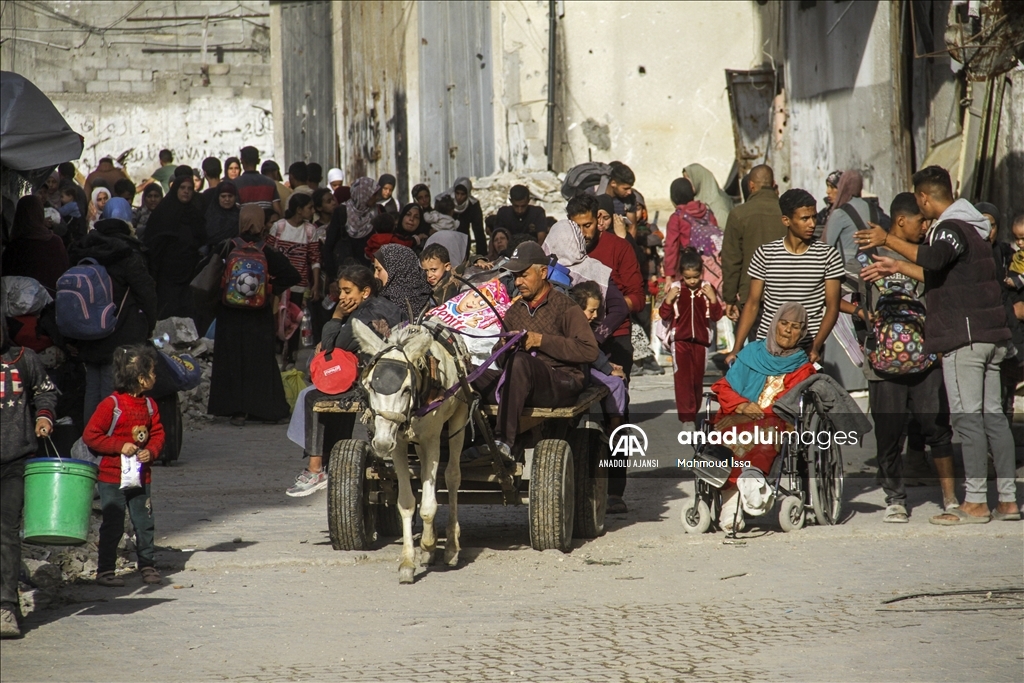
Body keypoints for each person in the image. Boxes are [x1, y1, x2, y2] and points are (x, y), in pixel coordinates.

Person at [856, 165, 1020, 524]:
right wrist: (895, 267)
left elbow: (932, 259)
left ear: (925, 197)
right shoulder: (976, 228)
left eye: (919, 200)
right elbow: (941, 275)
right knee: (994, 418)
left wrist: (887, 239)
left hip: (967, 338)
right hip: (992, 336)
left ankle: (975, 502)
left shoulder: (950, 227)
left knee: (968, 420)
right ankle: (1008, 501)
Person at [850, 193, 956, 523]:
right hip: (884, 368)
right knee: (889, 434)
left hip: (926, 362)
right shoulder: (868, 260)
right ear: (900, 221)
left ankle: (950, 499)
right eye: (919, 221)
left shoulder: (929, 257)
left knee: (937, 430)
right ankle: (895, 498)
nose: (925, 226)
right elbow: (858, 305)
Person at [470, 241, 599, 460]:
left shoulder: (566, 307)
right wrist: (503, 348)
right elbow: (500, 360)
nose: (518, 282)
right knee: (467, 374)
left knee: (520, 361)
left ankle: (503, 441)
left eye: (524, 275)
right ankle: (465, 443)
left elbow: (589, 351)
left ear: (543, 272)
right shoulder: (514, 311)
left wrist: (541, 341)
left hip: (561, 383)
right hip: (520, 383)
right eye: (515, 276)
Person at [286, 265, 402, 496]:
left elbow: (331, 347)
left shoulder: (362, 316)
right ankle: (331, 459)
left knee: (312, 396)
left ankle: (315, 469)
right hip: (391, 375)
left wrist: (336, 316)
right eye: (341, 291)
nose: (342, 297)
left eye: (348, 292)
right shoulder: (389, 307)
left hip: (373, 381)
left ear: (365, 292)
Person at [710, 303, 817, 532]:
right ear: (774, 324)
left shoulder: (802, 367)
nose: (788, 330)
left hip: (774, 421)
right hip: (740, 415)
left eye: (796, 327)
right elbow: (724, 387)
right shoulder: (751, 353)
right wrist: (741, 405)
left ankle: (747, 485)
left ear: (803, 332)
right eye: (784, 323)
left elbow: (789, 405)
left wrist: (760, 414)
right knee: (726, 435)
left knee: (766, 433)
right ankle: (734, 501)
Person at [208, 206, 301, 426]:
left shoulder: (227, 246)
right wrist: (269, 289)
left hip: (229, 314)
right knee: (259, 361)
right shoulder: (266, 250)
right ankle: (264, 409)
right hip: (258, 316)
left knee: (232, 360)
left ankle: (235, 410)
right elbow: (292, 275)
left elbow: (208, 273)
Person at [728, 188, 842, 365]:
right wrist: (736, 349)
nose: (812, 224)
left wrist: (815, 346)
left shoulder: (828, 255)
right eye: (805, 218)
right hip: (767, 348)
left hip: (805, 350)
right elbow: (752, 304)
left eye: (813, 217)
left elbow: (832, 307)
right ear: (786, 221)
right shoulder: (765, 254)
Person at [83, 344, 165, 587]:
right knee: (113, 524)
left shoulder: (150, 406)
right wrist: (119, 446)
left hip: (141, 476)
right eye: (151, 372)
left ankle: (147, 565)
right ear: (140, 379)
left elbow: (158, 433)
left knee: (144, 521)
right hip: (111, 476)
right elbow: (91, 435)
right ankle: (105, 570)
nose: (155, 377)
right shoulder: (111, 405)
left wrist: (151, 451)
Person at [70, 198, 159, 422]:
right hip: (120, 329)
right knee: (113, 388)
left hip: (86, 329)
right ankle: (108, 442)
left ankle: (90, 441)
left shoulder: (86, 247)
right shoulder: (129, 253)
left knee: (93, 386)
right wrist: (149, 323)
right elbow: (146, 292)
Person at [0, 318, 58, 638]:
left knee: (6, 532)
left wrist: (43, 418)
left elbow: (45, 392)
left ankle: (6, 606)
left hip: (14, 461)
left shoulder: (23, 359)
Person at [566, 193, 643, 379]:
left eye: (588, 225)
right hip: (575, 339)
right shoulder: (564, 251)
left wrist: (606, 309)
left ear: (598, 219)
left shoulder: (620, 248)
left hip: (616, 336)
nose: (584, 233)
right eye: (577, 227)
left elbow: (638, 298)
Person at [662, 248, 724, 426]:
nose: (692, 281)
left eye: (695, 277)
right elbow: (664, 314)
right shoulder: (676, 289)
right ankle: (687, 419)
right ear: (681, 274)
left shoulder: (707, 289)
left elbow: (716, 315)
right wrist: (668, 300)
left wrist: (713, 299)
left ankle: (694, 412)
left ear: (701, 273)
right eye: (688, 277)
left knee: (697, 380)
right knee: (682, 380)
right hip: (680, 342)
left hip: (701, 343)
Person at [720, 165, 784, 323]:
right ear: (773, 183)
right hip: (787, 292)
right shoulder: (788, 212)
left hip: (751, 296)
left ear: (751, 185)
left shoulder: (739, 214)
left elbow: (731, 260)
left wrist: (729, 298)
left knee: (758, 344)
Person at [143, 175, 207, 321]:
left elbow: (201, 238)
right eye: (183, 188)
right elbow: (153, 245)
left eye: (190, 189)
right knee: (167, 313)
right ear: (175, 189)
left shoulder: (195, 214)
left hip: (189, 273)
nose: (186, 192)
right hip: (166, 274)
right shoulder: (163, 213)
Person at [268, 194, 322, 362]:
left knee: (294, 320)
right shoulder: (279, 227)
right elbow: (269, 253)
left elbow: (314, 259)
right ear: (299, 210)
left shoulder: (309, 230)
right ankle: (275, 352)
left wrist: (315, 285)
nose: (312, 211)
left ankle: (290, 356)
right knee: (276, 317)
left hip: (299, 284)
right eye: (309, 208)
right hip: (278, 284)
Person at [568, 280, 628, 425]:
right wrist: (608, 369)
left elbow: (593, 352)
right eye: (591, 311)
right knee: (616, 382)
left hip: (585, 368)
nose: (595, 315)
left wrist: (608, 365)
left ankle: (615, 428)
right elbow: (589, 351)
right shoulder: (575, 327)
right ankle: (615, 428)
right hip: (576, 372)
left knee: (617, 382)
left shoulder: (581, 325)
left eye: (597, 311)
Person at [2, 195, 69, 293]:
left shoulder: (14, 247)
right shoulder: (55, 242)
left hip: (20, 305)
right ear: (40, 214)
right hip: (52, 303)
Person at [664, 176, 723, 287]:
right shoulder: (706, 211)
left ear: (673, 197)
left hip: (691, 268)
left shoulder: (677, 218)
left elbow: (671, 247)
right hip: (714, 263)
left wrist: (669, 274)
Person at [823, 169, 873, 265]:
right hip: (869, 267)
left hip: (846, 271)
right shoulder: (873, 209)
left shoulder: (839, 213)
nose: (828, 191)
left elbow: (826, 249)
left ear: (843, 186)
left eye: (833, 187)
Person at [373, 243, 433, 318]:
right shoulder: (425, 293)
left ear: (395, 270)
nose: (375, 275)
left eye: (379, 270)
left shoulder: (387, 306)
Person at [683, 163, 733, 228]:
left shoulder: (718, 206)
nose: (685, 182)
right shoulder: (696, 200)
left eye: (688, 178)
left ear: (698, 179)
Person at [234, 146, 281, 215]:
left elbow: (235, 211)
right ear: (258, 161)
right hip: (265, 225)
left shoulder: (235, 184)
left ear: (242, 161)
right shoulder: (270, 183)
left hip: (245, 224)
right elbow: (277, 211)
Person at [344, 177, 381, 265]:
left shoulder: (378, 210)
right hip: (347, 267)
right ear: (363, 194)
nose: (377, 198)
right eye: (374, 195)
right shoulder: (343, 211)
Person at [445, 177, 485, 256]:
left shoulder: (473, 205)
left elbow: (478, 231)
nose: (459, 197)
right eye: (457, 193)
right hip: (447, 240)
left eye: (462, 194)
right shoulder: (446, 200)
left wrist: (481, 256)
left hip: (463, 240)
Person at [204, 181, 240, 246]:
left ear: (235, 197)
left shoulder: (240, 216)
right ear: (218, 197)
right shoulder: (210, 216)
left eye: (230, 196)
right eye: (223, 196)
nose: (227, 199)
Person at [815, 170, 843, 236]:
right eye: (827, 186)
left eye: (833, 187)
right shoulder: (826, 212)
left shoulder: (852, 211)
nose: (827, 191)